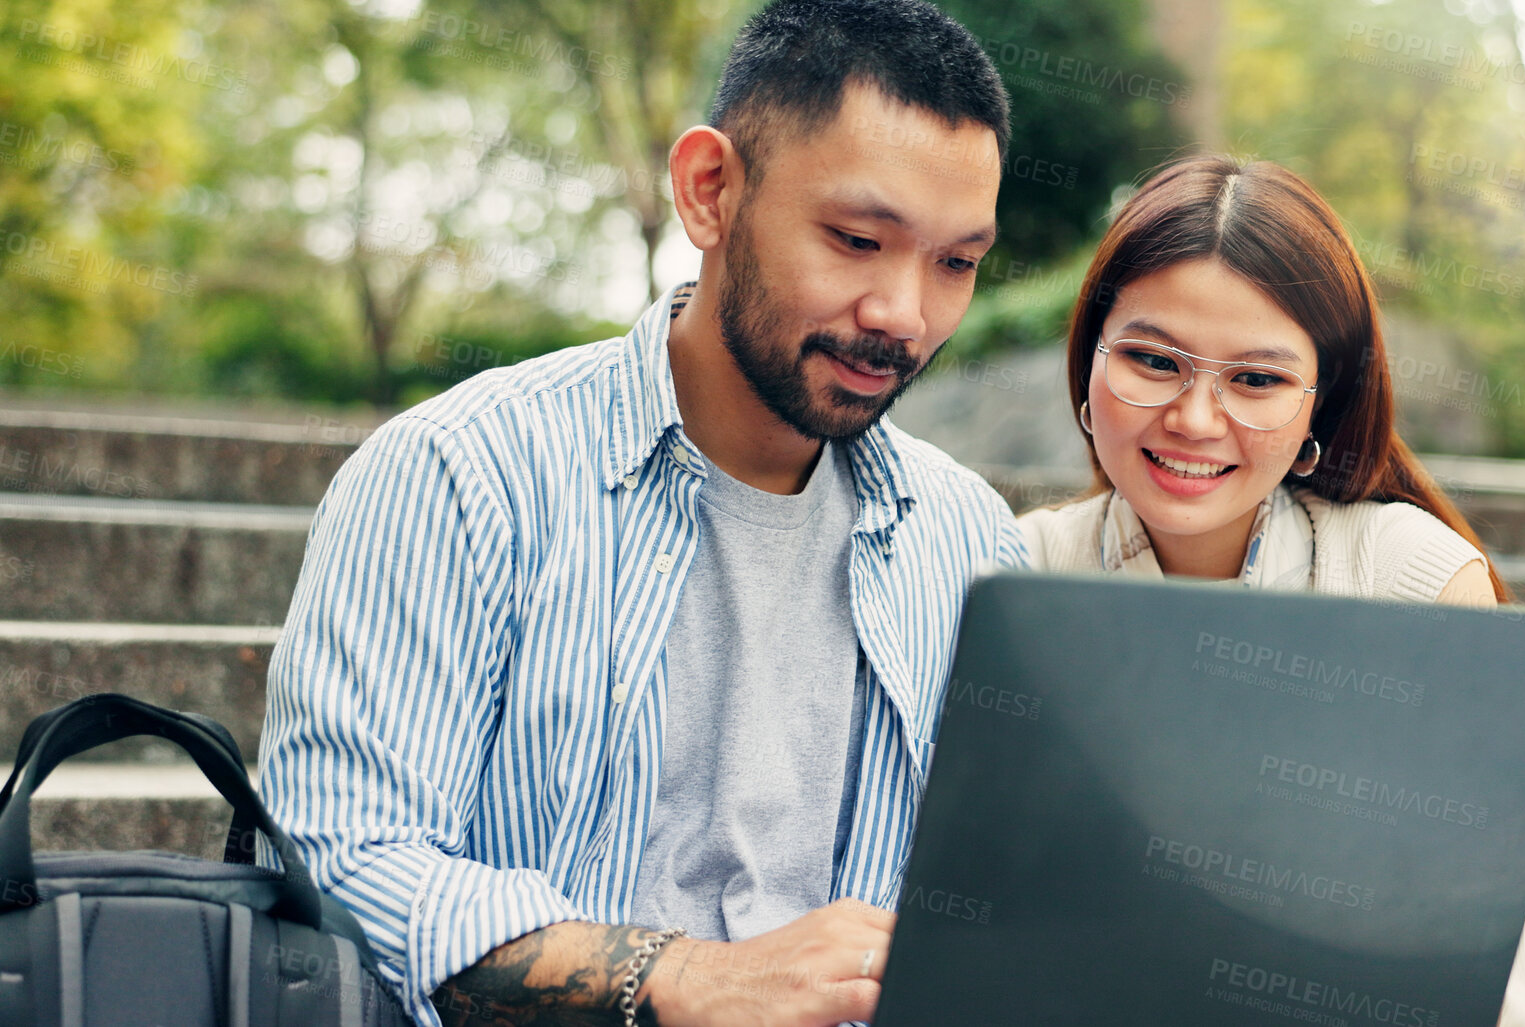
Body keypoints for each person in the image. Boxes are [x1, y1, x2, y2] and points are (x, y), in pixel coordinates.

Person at [257, 3, 1022, 1026]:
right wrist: (688, 978)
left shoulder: (970, 541)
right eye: (856, 238)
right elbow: (336, 862)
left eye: (956, 263)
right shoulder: (461, 476)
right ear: (710, 190)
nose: (905, 312)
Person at [1016, 154, 1525, 1026]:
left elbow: (1466, 938)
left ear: (1317, 407)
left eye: (1255, 379)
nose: (1193, 418)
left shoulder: (1414, 580)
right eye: (1152, 360)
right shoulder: (1016, 571)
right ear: (1089, 366)